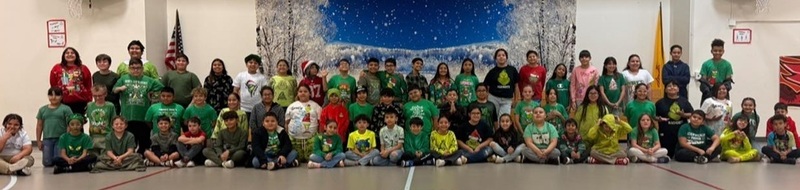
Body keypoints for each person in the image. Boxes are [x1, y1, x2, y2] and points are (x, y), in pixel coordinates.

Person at [113, 58, 164, 154]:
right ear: (129, 68)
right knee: (130, 142)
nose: (135, 70)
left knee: (144, 141)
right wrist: (120, 88)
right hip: (128, 116)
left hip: (143, 116)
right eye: (133, 68)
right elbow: (114, 90)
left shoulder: (148, 80)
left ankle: (144, 157)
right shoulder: (123, 79)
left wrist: (153, 95)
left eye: (138, 68)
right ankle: (130, 157)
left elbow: (162, 88)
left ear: (142, 68)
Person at [654, 80, 693, 158]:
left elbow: (692, 114)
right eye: (669, 86)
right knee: (666, 154)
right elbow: (654, 116)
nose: (672, 87)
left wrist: (683, 115)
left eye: (674, 86)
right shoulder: (660, 102)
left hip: (681, 133)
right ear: (665, 90)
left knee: (681, 155)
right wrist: (659, 119)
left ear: (678, 89)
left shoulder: (684, 101)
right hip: (665, 133)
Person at [37, 87, 74, 167]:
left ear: (61, 96)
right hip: (47, 139)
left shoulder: (66, 109)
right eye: (51, 95)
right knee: (47, 163)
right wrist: (38, 140)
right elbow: (39, 125)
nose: (53, 97)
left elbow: (69, 125)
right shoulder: (42, 110)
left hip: (60, 139)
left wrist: (67, 138)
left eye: (57, 95)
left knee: (58, 160)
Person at [50, 47, 92, 115]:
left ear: (76, 55)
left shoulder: (83, 68)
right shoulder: (57, 68)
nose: (70, 54)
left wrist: (89, 101)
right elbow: (53, 86)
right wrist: (55, 99)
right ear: (63, 55)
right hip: (62, 101)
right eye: (67, 53)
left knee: (78, 121)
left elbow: (88, 85)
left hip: (80, 102)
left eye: (72, 53)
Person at [286, 85, 322, 162]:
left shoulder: (316, 106)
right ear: (297, 93)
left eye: (305, 91)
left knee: (312, 158)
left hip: (311, 139)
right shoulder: (291, 106)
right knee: (294, 158)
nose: (303, 93)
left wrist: (320, 137)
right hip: (294, 139)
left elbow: (320, 123)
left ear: (310, 93)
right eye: (300, 91)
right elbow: (287, 122)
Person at [483, 49, 519, 116]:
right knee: (494, 118)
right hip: (493, 98)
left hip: (507, 100)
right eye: (499, 55)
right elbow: (486, 87)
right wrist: (486, 99)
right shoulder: (492, 72)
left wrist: (516, 99)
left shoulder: (512, 70)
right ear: (495, 58)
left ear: (506, 57)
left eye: (503, 55)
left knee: (504, 118)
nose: (501, 57)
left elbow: (516, 86)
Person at [699, 39, 734, 104]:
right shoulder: (706, 64)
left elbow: (728, 80)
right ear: (711, 51)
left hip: (722, 93)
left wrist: (721, 90)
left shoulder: (727, 65)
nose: (717, 52)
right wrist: (708, 91)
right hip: (709, 92)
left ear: (723, 51)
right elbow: (704, 80)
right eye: (715, 51)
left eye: (720, 51)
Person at [86, 85, 117, 155]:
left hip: (106, 136)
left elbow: (113, 121)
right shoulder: (89, 105)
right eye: (95, 96)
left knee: (105, 157)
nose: (97, 98)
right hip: (93, 136)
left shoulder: (110, 106)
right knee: (93, 156)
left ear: (105, 94)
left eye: (100, 95)